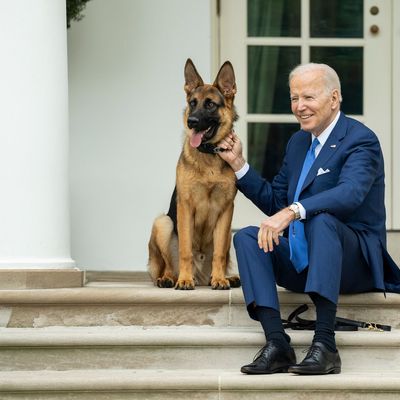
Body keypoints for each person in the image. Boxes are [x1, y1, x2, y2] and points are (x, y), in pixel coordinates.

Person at [217, 63, 400, 375]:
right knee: (247, 237)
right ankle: (277, 344)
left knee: (321, 219)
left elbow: (350, 194)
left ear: (334, 98)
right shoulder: (298, 142)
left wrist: (293, 211)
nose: (299, 107)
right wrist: (239, 165)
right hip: (307, 261)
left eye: (308, 97)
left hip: (352, 262)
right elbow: (277, 202)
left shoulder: (360, 140)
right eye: (293, 98)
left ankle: (325, 344)